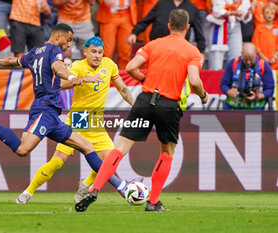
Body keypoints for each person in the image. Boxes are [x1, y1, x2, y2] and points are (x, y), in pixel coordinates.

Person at [0, 24, 114, 205]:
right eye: (68, 40)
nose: (69, 45)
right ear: (59, 37)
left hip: (53, 111)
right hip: (49, 108)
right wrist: (74, 78)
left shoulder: (36, 52)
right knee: (24, 150)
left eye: (100, 52)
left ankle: (121, 187)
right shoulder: (56, 52)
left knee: (87, 148)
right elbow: (59, 69)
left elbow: (14, 61)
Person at [75, 9, 208, 212]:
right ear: (187, 28)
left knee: (120, 147)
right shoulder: (192, 51)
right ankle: (153, 202)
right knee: (166, 152)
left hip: (144, 100)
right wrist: (203, 95)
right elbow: (194, 81)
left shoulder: (153, 44)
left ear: (169, 26)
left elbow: (130, 67)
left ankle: (94, 188)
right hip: (168, 104)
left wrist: (145, 80)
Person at [16, 36, 140, 204]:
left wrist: (134, 104)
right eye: (93, 52)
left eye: (100, 52)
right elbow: (60, 84)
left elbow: (123, 89)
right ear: (85, 52)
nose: (97, 55)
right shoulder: (78, 66)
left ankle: (86, 184)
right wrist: (79, 80)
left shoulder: (109, 65)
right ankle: (28, 191)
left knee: (110, 161)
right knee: (58, 161)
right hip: (78, 119)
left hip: (96, 122)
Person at [127, 0, 206, 61]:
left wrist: (201, 51)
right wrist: (135, 33)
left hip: (179, 51)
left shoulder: (192, 8)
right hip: (158, 49)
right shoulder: (161, 3)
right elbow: (146, 20)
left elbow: (198, 31)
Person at [220, 43, 274, 109]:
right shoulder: (233, 63)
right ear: (241, 53)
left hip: (256, 107)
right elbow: (223, 85)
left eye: (251, 59)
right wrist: (228, 91)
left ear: (255, 54)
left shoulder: (263, 65)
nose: (248, 62)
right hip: (233, 106)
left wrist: (259, 96)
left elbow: (270, 89)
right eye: (245, 59)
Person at [206, 0, 252, 70]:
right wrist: (233, 13)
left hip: (236, 25)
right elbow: (217, 11)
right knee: (216, 63)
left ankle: (234, 80)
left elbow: (244, 13)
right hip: (219, 25)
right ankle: (215, 80)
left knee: (236, 60)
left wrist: (248, 13)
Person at [95, 0, 138, 69]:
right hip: (108, 13)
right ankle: (105, 73)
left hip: (127, 14)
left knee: (126, 50)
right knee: (107, 50)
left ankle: (125, 74)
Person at [252, 2, 278, 70]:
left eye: (272, 13)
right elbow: (256, 46)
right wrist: (264, 58)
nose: (270, 15)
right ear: (263, 14)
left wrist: (274, 57)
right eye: (267, 12)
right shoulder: (258, 28)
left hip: (275, 62)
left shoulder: (276, 29)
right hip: (261, 62)